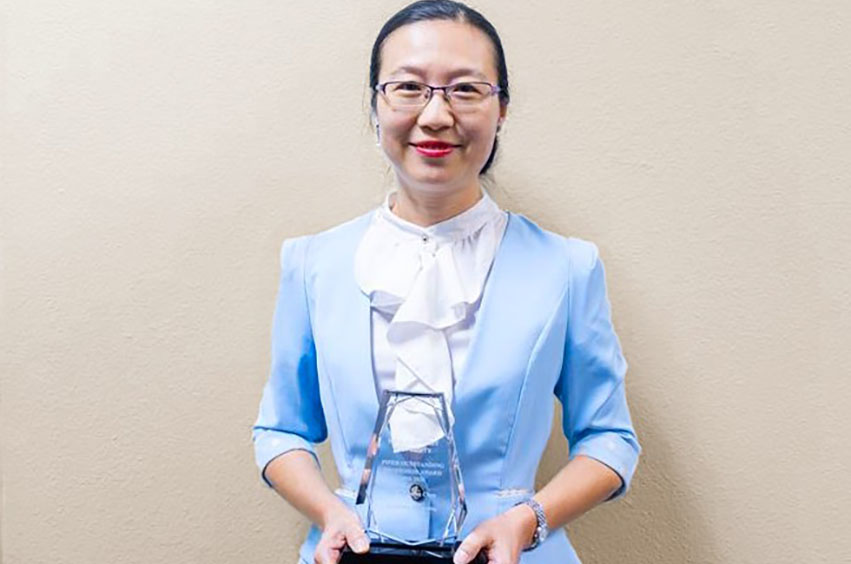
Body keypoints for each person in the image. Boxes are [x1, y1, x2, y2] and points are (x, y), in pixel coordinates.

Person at [252, 2, 640, 563]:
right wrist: (329, 513)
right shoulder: (312, 263)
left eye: (465, 89)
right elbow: (280, 431)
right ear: (375, 106)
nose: (436, 115)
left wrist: (526, 521)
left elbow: (611, 439)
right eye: (408, 88)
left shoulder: (567, 268)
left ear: (501, 108)